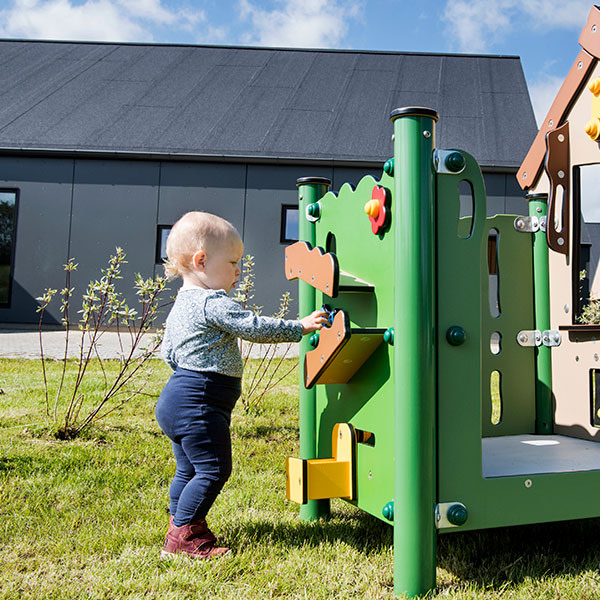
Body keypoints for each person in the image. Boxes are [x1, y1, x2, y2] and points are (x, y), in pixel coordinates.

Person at [155, 211, 325, 559]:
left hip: (176, 398)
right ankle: (183, 538)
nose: (238, 271)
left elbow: (168, 353)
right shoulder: (211, 301)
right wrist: (300, 326)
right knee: (214, 468)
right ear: (201, 261)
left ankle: (182, 521)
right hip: (200, 401)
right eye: (233, 262)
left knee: (188, 469)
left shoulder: (181, 304)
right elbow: (253, 327)